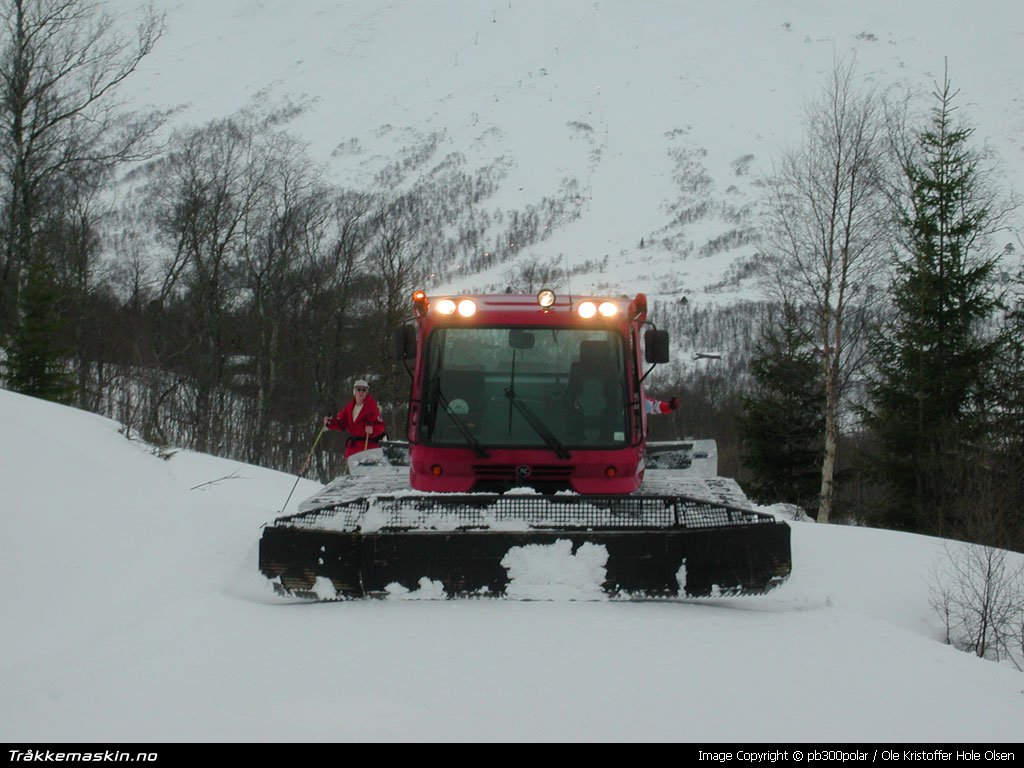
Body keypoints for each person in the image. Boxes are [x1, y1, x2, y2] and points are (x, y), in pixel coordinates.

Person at [323, 379, 387, 459]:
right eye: (358, 389)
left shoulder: (372, 407)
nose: (361, 392)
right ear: (354, 392)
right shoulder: (348, 408)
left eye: (364, 390)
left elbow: (380, 427)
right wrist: (330, 423)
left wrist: (373, 430)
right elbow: (341, 424)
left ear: (366, 393)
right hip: (353, 448)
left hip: (369, 447)